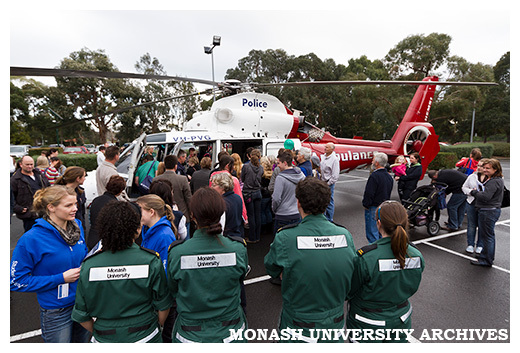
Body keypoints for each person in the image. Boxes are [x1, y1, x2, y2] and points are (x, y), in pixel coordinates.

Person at [264, 177, 356, 342]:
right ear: (327, 204)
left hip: (297, 325)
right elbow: (351, 273)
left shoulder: (286, 237)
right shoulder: (344, 235)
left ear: (298, 203)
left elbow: (271, 268)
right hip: (333, 326)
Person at [71, 201, 172, 343]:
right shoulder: (150, 260)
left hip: (105, 335)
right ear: (136, 228)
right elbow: (163, 305)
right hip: (145, 334)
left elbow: (81, 315)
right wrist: (156, 326)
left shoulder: (90, 265)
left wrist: (101, 331)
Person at [167, 187, 249, 343]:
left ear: (193, 216)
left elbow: (172, 289)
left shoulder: (178, 253)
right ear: (220, 213)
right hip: (231, 332)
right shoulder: (238, 249)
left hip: (190, 334)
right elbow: (240, 278)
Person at [10, 185, 90, 343]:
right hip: (56, 310)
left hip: (82, 304)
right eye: (68, 205)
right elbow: (15, 281)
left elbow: (83, 256)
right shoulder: (32, 239)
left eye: (75, 204)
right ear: (51, 207)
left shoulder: (77, 227)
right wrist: (60, 278)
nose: (75, 208)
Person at [346, 200, 425, 342]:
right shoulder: (416, 255)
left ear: (379, 224)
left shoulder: (366, 257)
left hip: (367, 324)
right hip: (401, 321)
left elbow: (350, 291)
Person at [469, 158, 504, 267]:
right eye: (484, 167)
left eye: (488, 168)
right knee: (487, 236)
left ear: (495, 169)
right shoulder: (496, 180)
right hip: (491, 210)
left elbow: (486, 197)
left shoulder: (493, 182)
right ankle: (485, 256)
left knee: (487, 237)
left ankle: (486, 260)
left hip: (488, 211)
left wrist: (474, 192)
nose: (484, 170)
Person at [137, 194, 178, 271]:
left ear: (151, 212)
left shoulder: (164, 236)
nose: (137, 214)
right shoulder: (148, 231)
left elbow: (166, 269)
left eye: (140, 211)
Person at [153, 155, 192, 235]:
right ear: (176, 166)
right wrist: (191, 213)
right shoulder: (182, 179)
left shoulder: (156, 180)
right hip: (182, 214)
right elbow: (188, 198)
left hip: (161, 216)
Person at [11, 155, 51, 231]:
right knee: (31, 236)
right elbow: (10, 197)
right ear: (21, 164)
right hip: (29, 214)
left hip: (44, 211)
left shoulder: (39, 174)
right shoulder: (15, 180)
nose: (29, 166)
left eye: (31, 164)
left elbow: (48, 187)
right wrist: (19, 209)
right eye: (27, 164)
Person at [87, 175, 126, 250]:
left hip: (92, 237)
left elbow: (90, 218)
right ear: (121, 190)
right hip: (105, 242)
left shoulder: (96, 200)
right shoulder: (115, 205)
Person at [362, 152, 394, 243]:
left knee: (372, 233)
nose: (371, 162)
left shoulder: (374, 176)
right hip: (383, 207)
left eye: (373, 160)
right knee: (382, 232)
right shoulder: (388, 177)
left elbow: (369, 193)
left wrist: (366, 204)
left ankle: (374, 253)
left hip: (373, 207)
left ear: (377, 163)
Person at [272, 150, 305, 234]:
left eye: (279, 163)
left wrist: (274, 209)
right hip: (297, 213)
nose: (277, 165)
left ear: (285, 163)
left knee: (280, 242)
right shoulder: (301, 175)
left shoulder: (280, 178)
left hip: (282, 215)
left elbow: (276, 198)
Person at [210, 154, 248, 224]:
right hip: (231, 214)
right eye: (232, 165)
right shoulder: (233, 180)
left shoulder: (212, 178)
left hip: (215, 213)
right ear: (228, 165)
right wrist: (245, 217)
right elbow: (240, 198)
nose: (233, 167)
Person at [461, 160, 486, 254]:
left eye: (482, 166)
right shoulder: (472, 176)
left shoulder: (491, 178)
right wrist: (471, 191)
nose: (479, 168)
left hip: (484, 205)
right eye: (478, 165)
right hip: (471, 203)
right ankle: (470, 244)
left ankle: (480, 245)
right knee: (471, 225)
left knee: (482, 226)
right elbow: (464, 187)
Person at [211, 172, 244, 238]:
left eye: (214, 185)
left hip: (226, 238)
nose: (211, 187)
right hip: (238, 236)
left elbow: (221, 227)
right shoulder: (237, 198)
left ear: (223, 187)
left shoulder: (221, 203)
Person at [241, 149, 264, 243]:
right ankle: (258, 236)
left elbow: (242, 179)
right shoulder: (261, 168)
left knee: (251, 215)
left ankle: (252, 237)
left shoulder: (246, 167)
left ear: (250, 156)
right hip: (258, 192)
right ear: (259, 157)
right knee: (258, 215)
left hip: (248, 193)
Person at [320, 142, 340, 221]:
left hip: (328, 183)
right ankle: (324, 216)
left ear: (332, 149)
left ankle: (329, 218)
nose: (325, 148)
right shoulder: (324, 157)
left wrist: (328, 183)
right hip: (323, 181)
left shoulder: (334, 159)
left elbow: (335, 175)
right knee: (323, 200)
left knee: (329, 201)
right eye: (325, 147)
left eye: (327, 147)